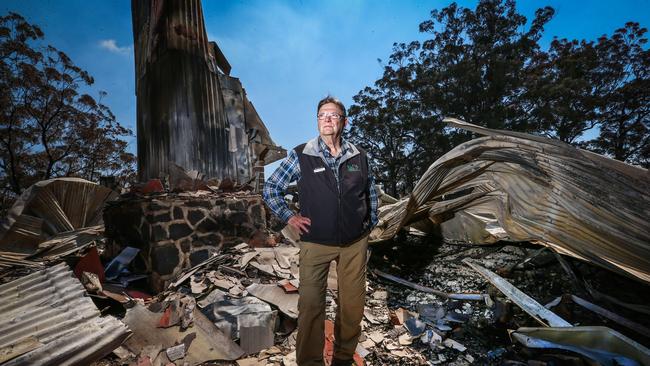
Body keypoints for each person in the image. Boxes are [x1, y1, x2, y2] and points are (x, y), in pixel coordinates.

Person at [263, 96, 378, 366]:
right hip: (315, 243)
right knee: (311, 308)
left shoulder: (358, 156)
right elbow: (270, 189)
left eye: (333, 115)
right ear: (317, 121)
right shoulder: (302, 154)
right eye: (321, 115)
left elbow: (371, 193)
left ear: (344, 121)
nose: (326, 119)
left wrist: (367, 225)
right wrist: (290, 216)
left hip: (354, 245)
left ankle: (342, 359)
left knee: (352, 309)